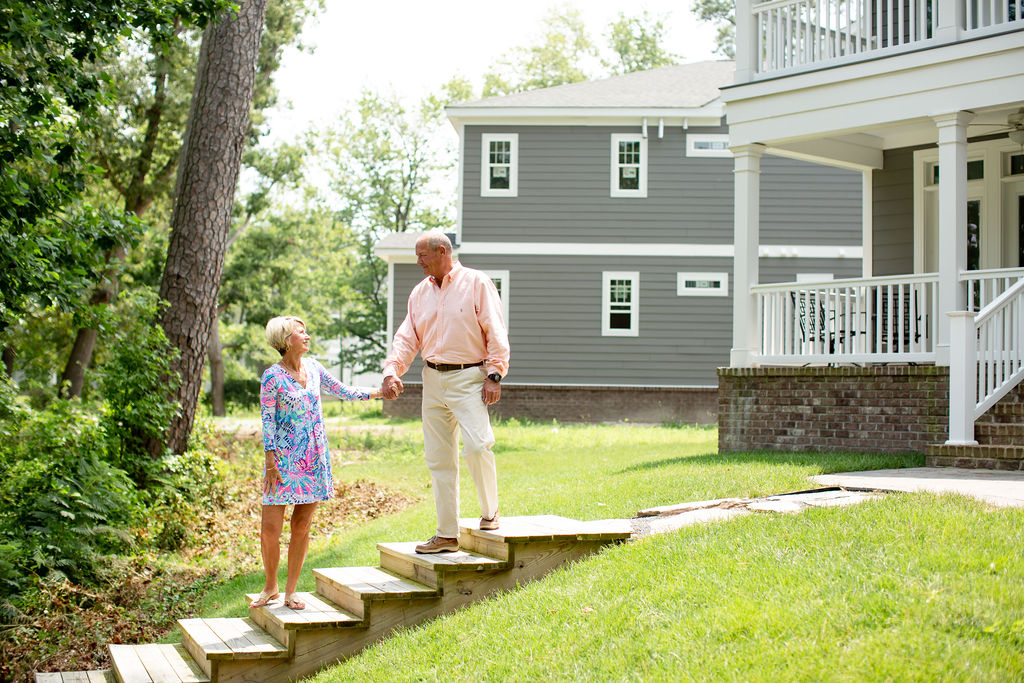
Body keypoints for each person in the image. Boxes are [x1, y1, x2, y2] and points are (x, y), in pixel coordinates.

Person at [381, 231, 510, 554]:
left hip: (469, 376)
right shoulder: (419, 293)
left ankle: (490, 512)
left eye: (422, 255)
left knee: (478, 445)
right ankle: (447, 535)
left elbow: (495, 329)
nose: (418, 262)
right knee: (439, 459)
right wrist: (391, 372)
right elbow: (407, 339)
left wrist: (494, 374)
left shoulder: (476, 283)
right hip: (433, 380)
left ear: (442, 252)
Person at [251, 316, 382, 610]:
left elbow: (343, 391)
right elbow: (267, 420)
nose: (307, 336)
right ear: (287, 341)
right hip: (282, 464)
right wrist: (270, 461)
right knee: (269, 529)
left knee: (302, 525)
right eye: (301, 332)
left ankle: (291, 592)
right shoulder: (272, 377)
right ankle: (270, 586)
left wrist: (377, 392)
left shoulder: (314, 368)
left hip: (313, 461)